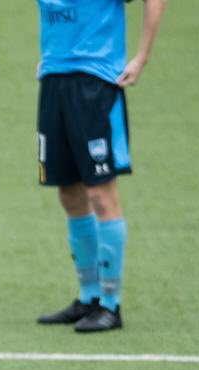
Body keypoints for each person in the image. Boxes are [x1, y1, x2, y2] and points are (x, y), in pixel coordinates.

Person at [34, 0, 166, 332]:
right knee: (69, 193)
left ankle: (111, 303)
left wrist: (141, 58)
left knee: (101, 194)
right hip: (53, 80)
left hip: (95, 84)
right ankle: (88, 297)